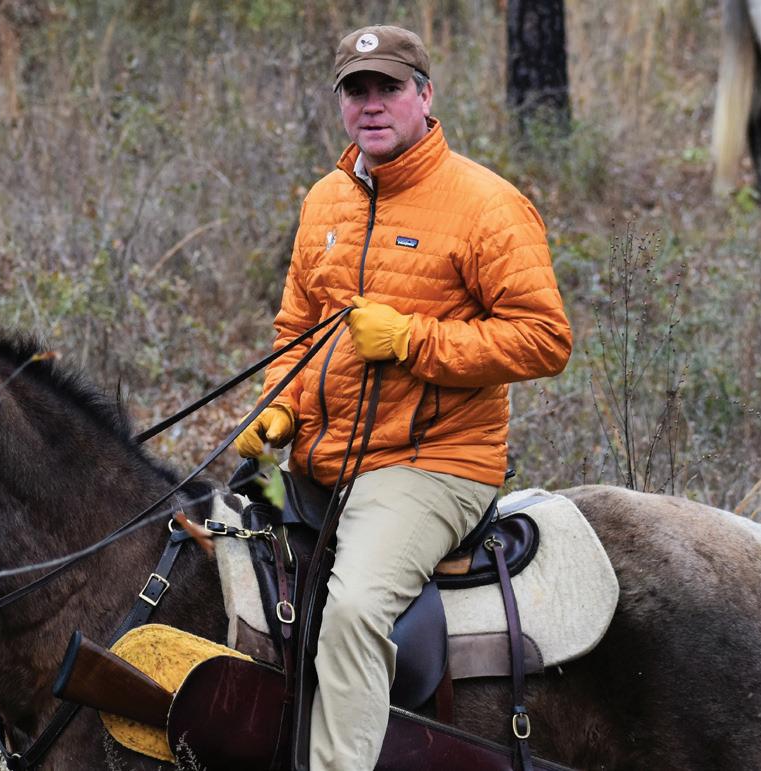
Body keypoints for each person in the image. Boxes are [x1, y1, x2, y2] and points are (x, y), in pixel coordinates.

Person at [235, 23, 572, 771]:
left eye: (388, 87)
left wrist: (413, 339)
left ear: (424, 95)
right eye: (355, 91)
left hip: (433, 464)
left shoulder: (487, 205)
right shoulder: (325, 200)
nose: (371, 104)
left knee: (354, 611)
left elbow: (545, 340)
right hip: (321, 461)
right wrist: (282, 406)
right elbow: (297, 329)